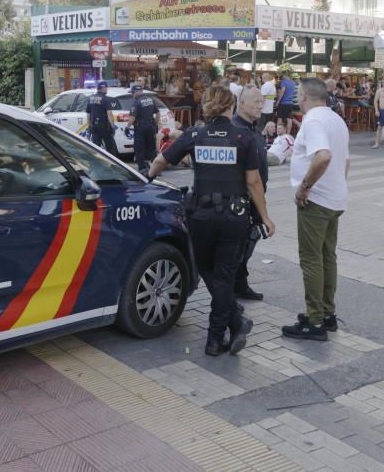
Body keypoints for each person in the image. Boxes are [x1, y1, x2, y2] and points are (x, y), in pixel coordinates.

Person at [148, 85, 274, 356]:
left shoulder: (196, 134)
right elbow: (253, 182)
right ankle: (216, 338)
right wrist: (265, 217)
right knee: (225, 276)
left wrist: (146, 178)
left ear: (207, 106)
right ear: (231, 107)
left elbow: (160, 161)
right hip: (234, 217)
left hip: (200, 217)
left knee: (207, 269)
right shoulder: (244, 137)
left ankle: (233, 324)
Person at [283, 77, 350, 342]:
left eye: (298, 93)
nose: (297, 98)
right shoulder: (336, 119)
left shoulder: (313, 120)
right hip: (335, 198)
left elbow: (323, 156)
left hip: (317, 201)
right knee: (327, 257)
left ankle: (314, 321)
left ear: (305, 96)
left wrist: (305, 186)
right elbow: (344, 162)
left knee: (311, 259)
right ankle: (327, 313)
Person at [233, 85, 267, 301]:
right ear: (241, 103)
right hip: (241, 199)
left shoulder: (253, 129)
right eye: (256, 101)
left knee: (248, 243)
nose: (260, 105)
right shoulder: (236, 130)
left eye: (261, 101)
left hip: (254, 198)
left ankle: (240, 282)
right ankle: (236, 287)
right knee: (239, 247)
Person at [126, 84, 158, 172]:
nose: (132, 95)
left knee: (139, 148)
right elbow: (158, 113)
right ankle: (156, 168)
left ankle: (142, 168)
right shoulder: (151, 99)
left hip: (140, 127)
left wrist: (127, 127)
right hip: (151, 126)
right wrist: (155, 124)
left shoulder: (136, 102)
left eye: (132, 93)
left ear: (135, 93)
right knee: (152, 148)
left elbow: (132, 117)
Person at [86, 81, 118, 154]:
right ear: (103, 88)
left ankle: (96, 163)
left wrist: (89, 125)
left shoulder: (91, 98)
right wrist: (113, 126)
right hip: (104, 126)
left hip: (94, 126)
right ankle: (112, 164)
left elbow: (88, 114)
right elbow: (109, 114)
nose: (107, 89)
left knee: (96, 148)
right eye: (106, 87)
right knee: (110, 147)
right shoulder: (106, 99)